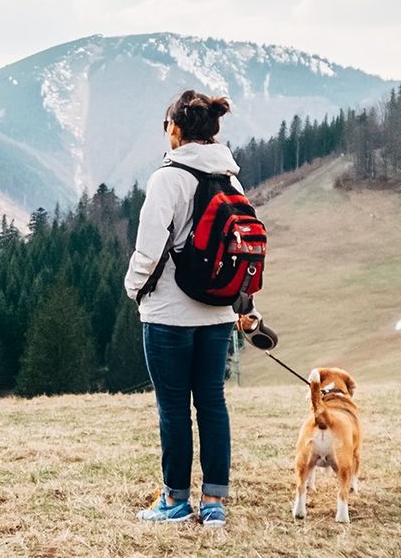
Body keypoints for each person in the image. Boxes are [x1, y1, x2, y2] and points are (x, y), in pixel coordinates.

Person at [124, 89, 244, 528]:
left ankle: (175, 500)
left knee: (173, 408)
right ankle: (214, 501)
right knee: (212, 403)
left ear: (176, 129)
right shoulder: (232, 178)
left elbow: (148, 249)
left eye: (166, 125)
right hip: (218, 313)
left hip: (170, 314)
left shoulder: (167, 178)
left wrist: (134, 289)